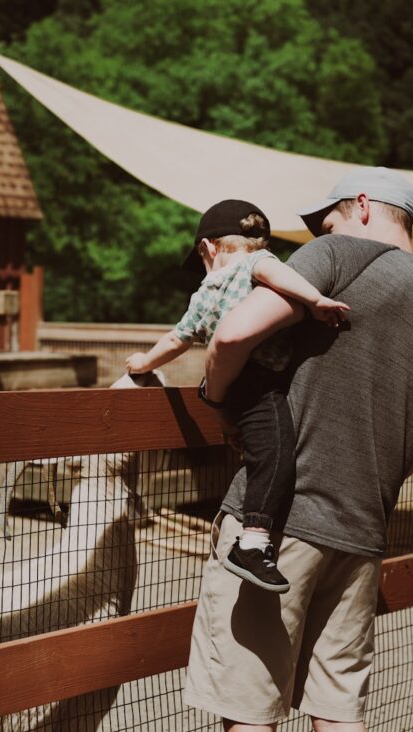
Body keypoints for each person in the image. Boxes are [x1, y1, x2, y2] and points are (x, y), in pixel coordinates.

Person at [183, 166, 413, 732]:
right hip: (362, 528)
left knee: (249, 719)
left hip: (280, 524)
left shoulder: (341, 255)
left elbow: (232, 333)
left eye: (325, 221)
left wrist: (216, 395)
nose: (317, 235)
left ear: (360, 207)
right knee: (340, 717)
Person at [126, 199, 348, 593]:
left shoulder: (201, 293)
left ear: (208, 248)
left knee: (258, 447)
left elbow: (178, 339)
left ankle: (251, 528)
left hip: (232, 389)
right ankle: (253, 542)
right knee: (277, 455)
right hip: (262, 381)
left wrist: (144, 362)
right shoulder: (256, 264)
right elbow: (277, 271)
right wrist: (315, 301)